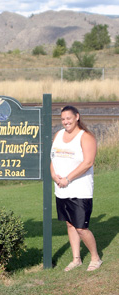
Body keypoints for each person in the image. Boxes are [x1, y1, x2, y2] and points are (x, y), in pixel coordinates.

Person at [50, 105, 102, 272]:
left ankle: (95, 257)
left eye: (69, 118)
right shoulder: (58, 135)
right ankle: (76, 259)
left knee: (81, 227)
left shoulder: (85, 136)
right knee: (70, 224)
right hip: (61, 189)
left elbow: (88, 162)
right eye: (63, 119)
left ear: (77, 117)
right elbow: (53, 158)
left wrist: (68, 178)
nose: (66, 122)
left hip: (79, 190)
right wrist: (53, 175)